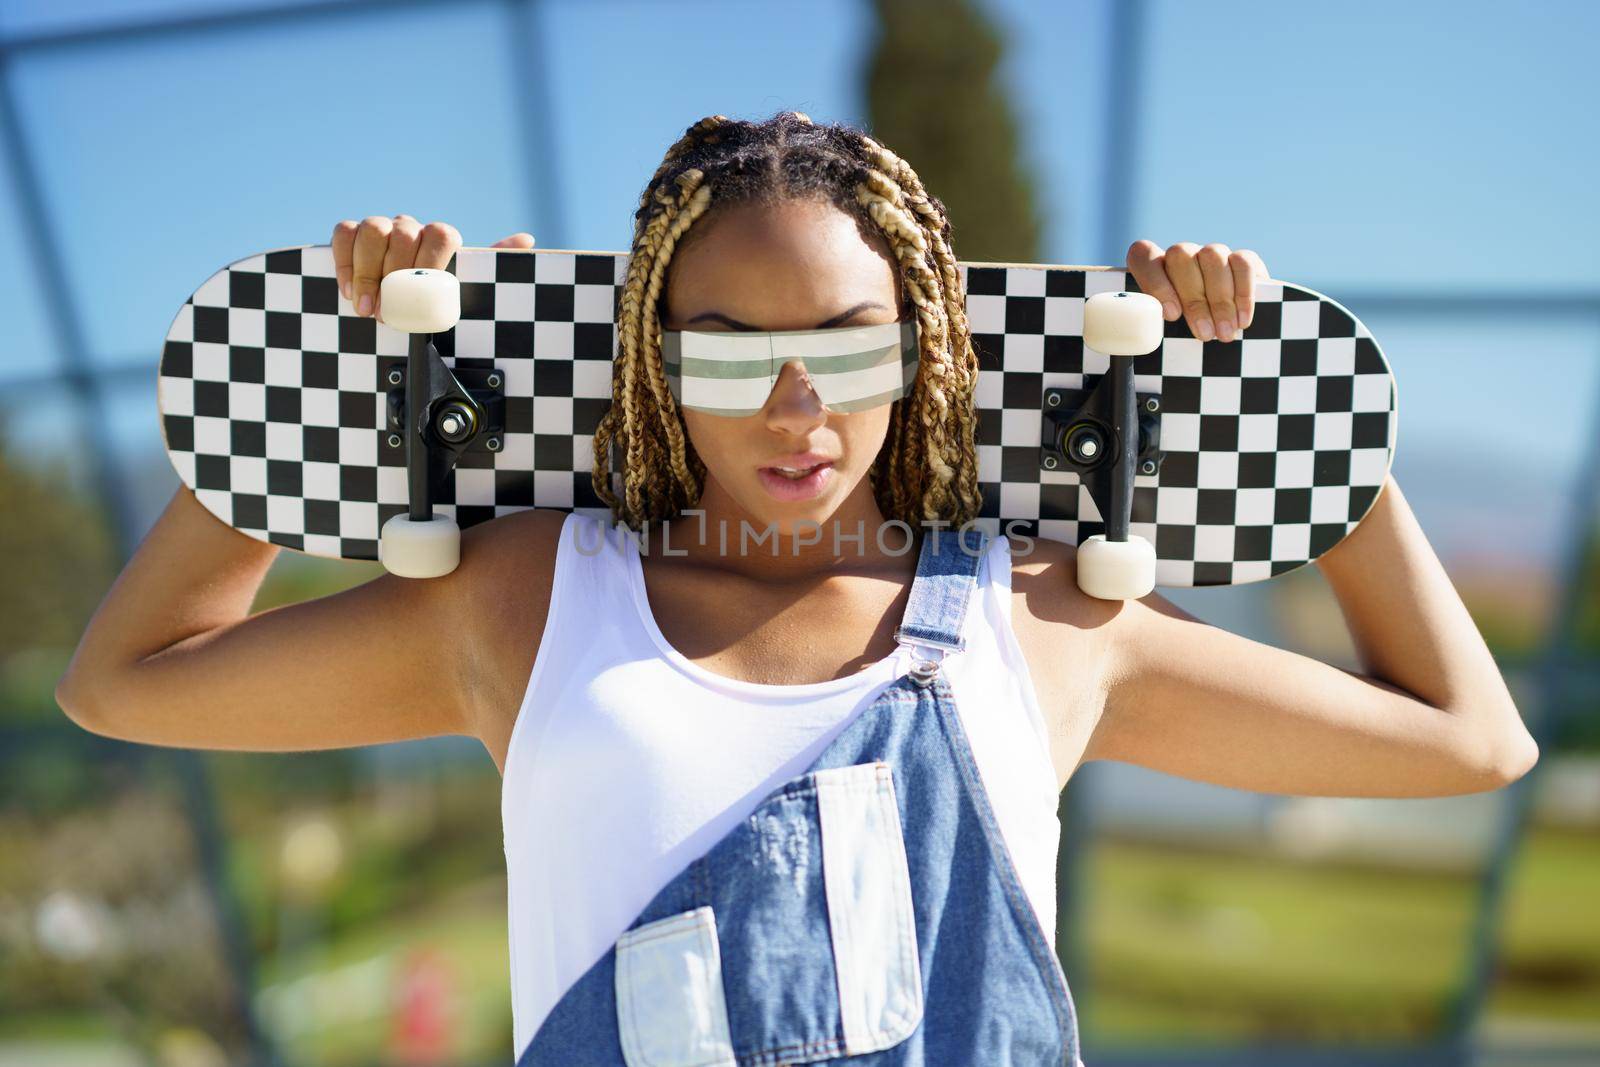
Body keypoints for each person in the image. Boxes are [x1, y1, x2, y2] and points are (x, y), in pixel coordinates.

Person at [55, 111, 1538, 1065]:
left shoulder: (1040, 618)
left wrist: (1288, 403)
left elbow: (1473, 739)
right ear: (650, 357)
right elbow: (124, 679)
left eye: (844, 345)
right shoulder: (521, 599)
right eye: (721, 347)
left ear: (923, 356)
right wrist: (342, 372)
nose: (791, 409)